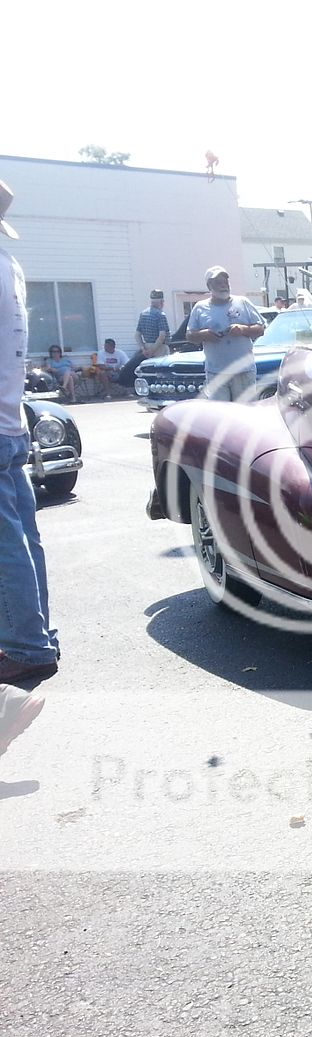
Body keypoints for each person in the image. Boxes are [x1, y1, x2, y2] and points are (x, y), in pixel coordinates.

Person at [0, 180, 60, 684]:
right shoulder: (10, 267)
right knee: (24, 534)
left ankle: (25, 643)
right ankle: (37, 635)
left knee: (7, 540)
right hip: (10, 418)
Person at [186, 266, 266, 401]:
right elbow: (189, 335)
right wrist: (204, 334)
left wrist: (242, 329)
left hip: (243, 372)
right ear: (209, 286)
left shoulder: (242, 302)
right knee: (221, 415)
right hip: (216, 372)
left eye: (225, 281)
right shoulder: (200, 307)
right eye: (218, 282)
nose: (223, 285)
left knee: (244, 414)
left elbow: (260, 329)